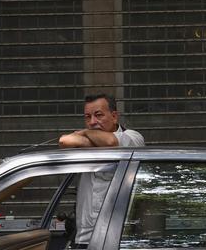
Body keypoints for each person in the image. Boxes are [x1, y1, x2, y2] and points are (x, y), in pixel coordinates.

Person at [58, 94, 143, 247]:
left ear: (115, 116)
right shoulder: (91, 138)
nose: (92, 122)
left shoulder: (132, 137)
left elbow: (111, 142)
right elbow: (64, 140)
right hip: (84, 238)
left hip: (117, 239)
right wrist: (91, 137)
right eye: (87, 117)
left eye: (98, 115)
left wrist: (84, 132)